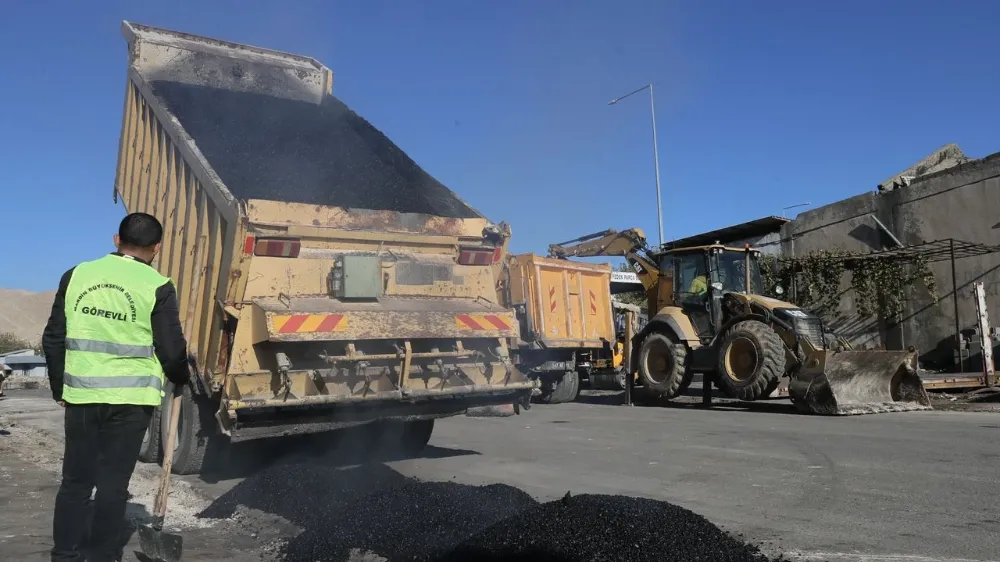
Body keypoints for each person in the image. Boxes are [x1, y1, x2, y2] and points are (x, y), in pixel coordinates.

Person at [42, 212, 190, 562]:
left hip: (82, 397)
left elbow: (53, 337)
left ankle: (64, 555)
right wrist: (181, 375)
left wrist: (59, 388)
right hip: (131, 402)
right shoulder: (158, 285)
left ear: (115, 239)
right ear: (156, 247)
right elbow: (170, 348)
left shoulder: (77, 275)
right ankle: (104, 555)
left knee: (75, 483)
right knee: (112, 486)